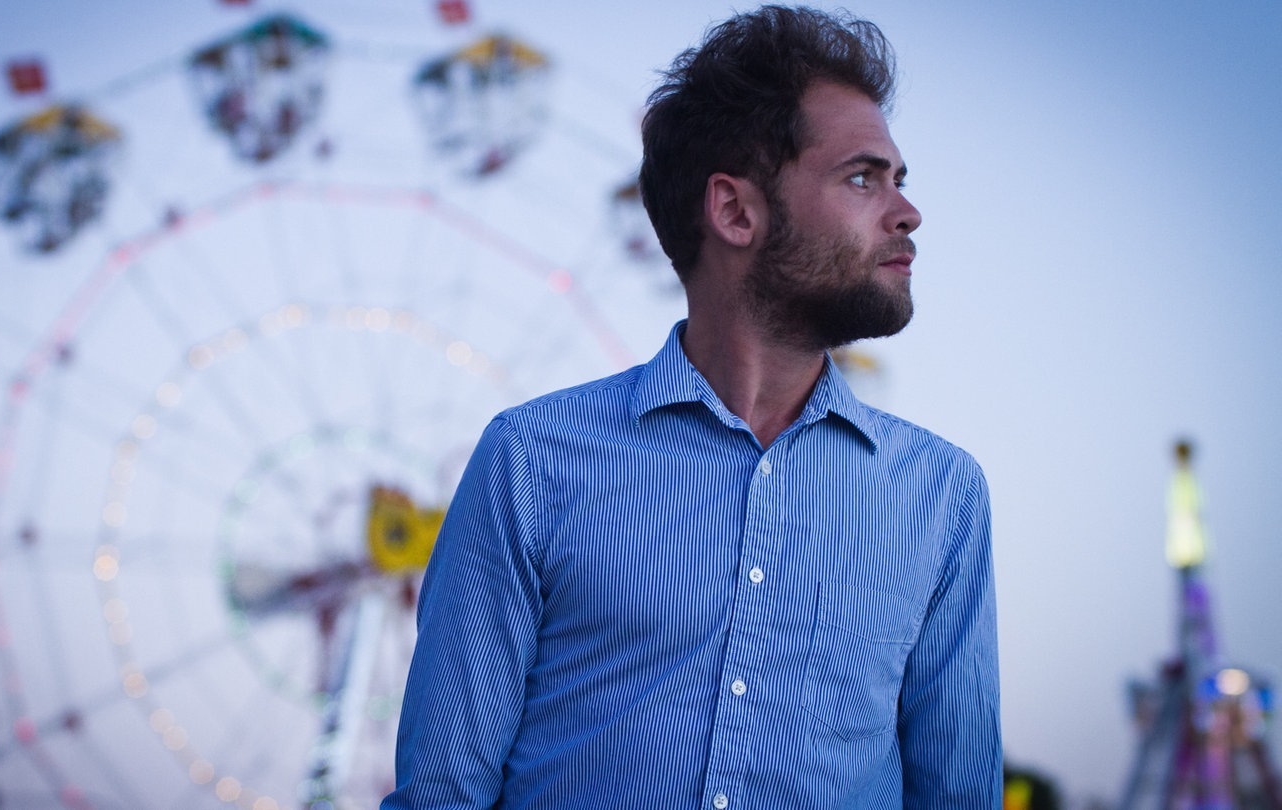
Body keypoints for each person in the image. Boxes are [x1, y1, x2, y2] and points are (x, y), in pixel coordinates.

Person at [383, 5, 1001, 808]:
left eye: (898, 179)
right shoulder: (530, 462)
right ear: (736, 212)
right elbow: (441, 794)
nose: (906, 211)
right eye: (861, 177)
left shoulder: (941, 496)